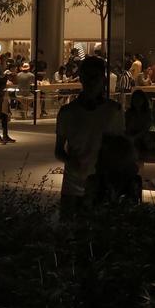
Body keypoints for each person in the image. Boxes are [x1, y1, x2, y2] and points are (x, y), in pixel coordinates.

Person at [54, 56, 127, 212]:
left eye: (95, 76)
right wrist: (71, 161)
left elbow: (121, 148)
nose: (91, 81)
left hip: (103, 183)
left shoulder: (114, 111)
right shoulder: (67, 112)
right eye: (87, 76)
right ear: (81, 78)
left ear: (103, 79)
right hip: (74, 184)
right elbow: (59, 150)